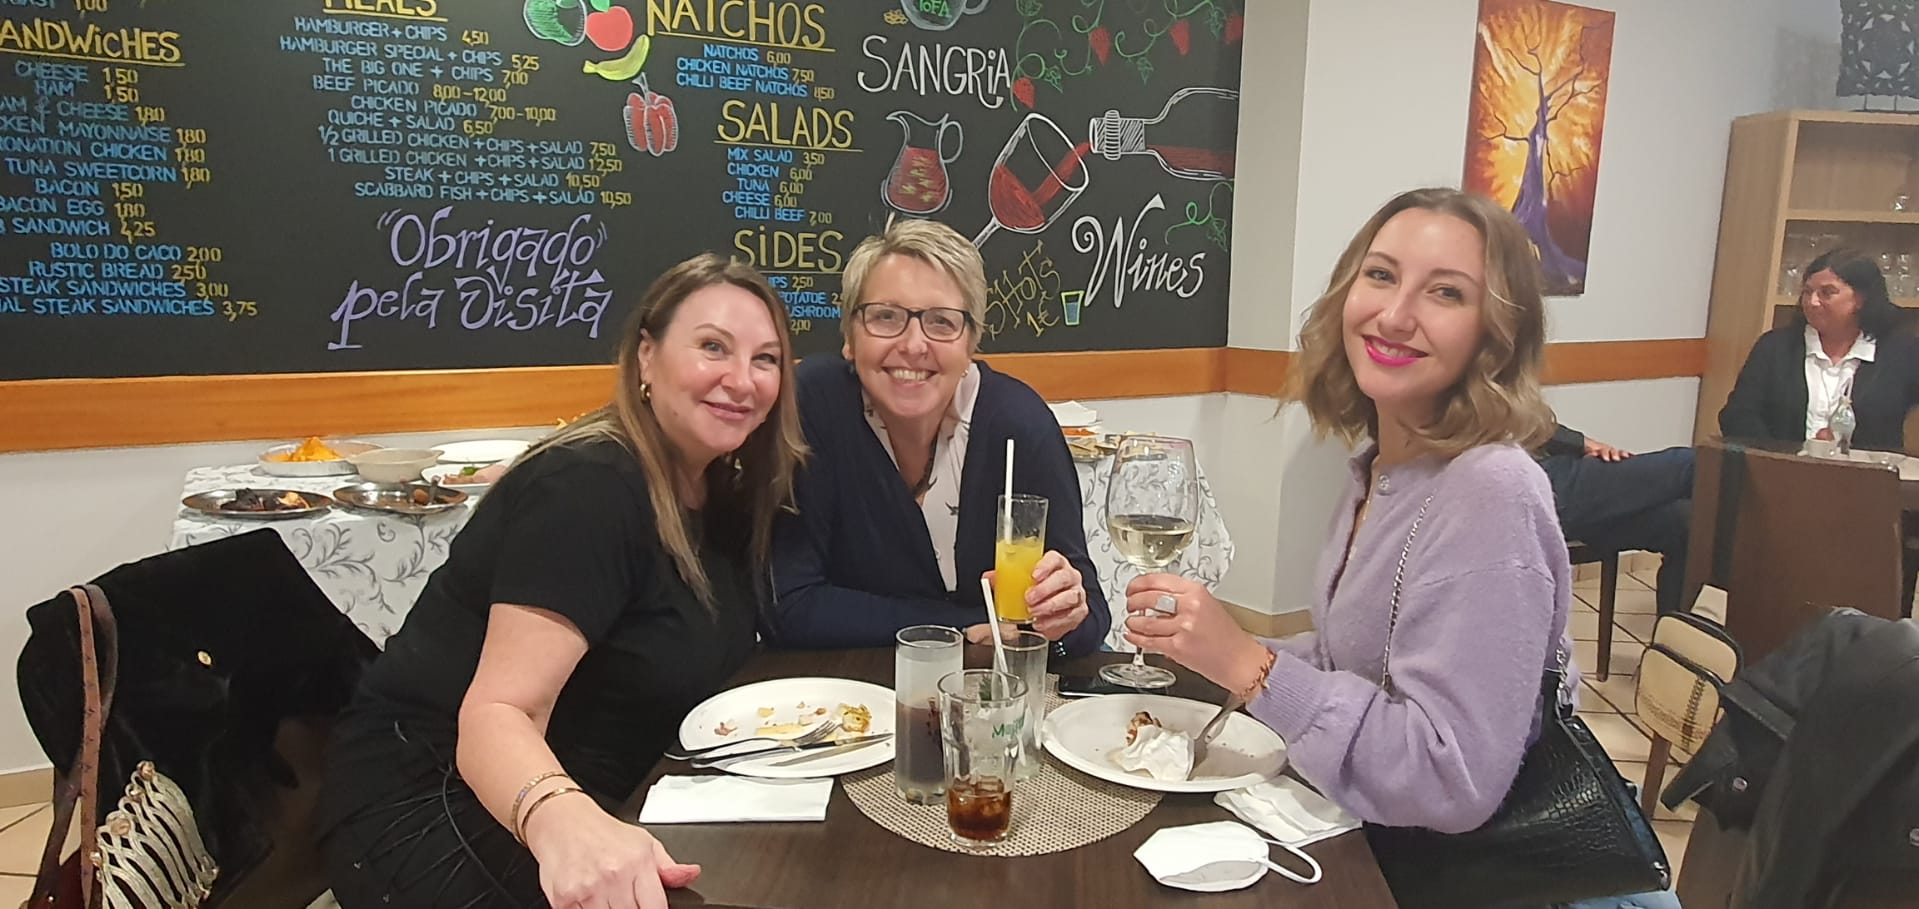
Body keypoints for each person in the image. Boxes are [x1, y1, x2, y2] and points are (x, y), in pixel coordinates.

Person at [1120, 188, 1676, 909]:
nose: (1393, 315)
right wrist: (1227, 650)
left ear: (1495, 336)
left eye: (1445, 292)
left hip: (1511, 882)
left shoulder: (1490, 489)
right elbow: (1361, 661)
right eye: (1380, 275)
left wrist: (1252, 668)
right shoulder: (1381, 468)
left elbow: (1451, 778)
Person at [318, 254, 806, 909]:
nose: (741, 379)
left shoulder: (719, 487)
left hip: (601, 791)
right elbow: (498, 714)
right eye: (712, 347)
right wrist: (564, 820)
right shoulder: (588, 488)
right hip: (431, 800)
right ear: (646, 357)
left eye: (765, 358)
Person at [768, 218, 1109, 656]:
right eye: (885, 317)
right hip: (846, 688)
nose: (914, 345)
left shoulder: (1019, 426)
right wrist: (964, 625)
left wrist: (1063, 615)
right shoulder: (814, 405)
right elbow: (789, 605)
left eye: (942, 322)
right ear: (849, 337)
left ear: (971, 344)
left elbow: (1089, 622)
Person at [1720, 247, 1919, 450]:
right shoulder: (1775, 347)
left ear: (1860, 299)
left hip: (1867, 469)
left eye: (1827, 293)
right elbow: (1737, 416)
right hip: (1782, 466)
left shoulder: (1901, 352)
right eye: (1807, 292)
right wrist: (1782, 458)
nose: (1812, 302)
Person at [1535, 424, 1695, 615]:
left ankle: (1673, 630)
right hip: (1535, 483)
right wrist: (1582, 443)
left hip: (1541, 492)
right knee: (1694, 464)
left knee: (1685, 523)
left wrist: (1579, 444)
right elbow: (1516, 417)